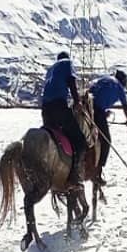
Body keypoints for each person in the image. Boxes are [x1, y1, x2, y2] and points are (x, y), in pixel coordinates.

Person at [41, 51, 87, 189]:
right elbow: (71, 82)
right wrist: (77, 103)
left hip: (45, 110)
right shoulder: (67, 64)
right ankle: (73, 176)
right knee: (80, 141)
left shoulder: (50, 70)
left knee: (54, 139)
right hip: (59, 108)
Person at [89, 70, 127, 185]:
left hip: (87, 107)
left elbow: (93, 92)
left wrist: (103, 112)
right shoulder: (119, 87)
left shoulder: (104, 79)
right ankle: (98, 172)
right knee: (106, 141)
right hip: (97, 111)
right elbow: (125, 107)